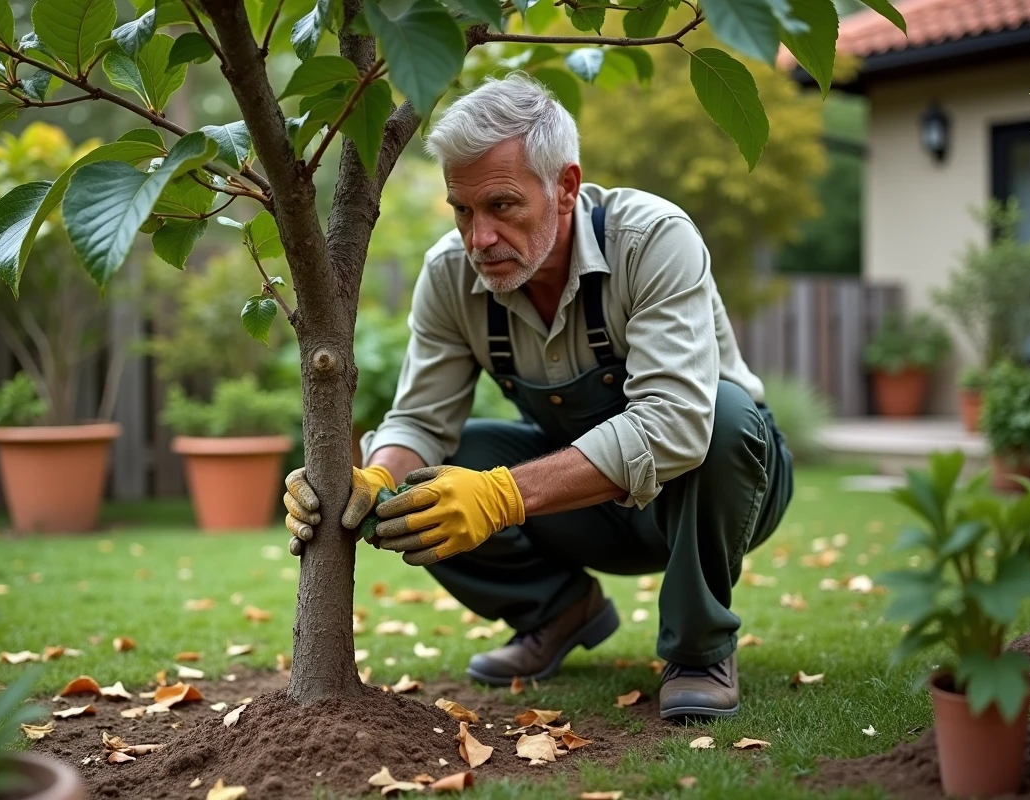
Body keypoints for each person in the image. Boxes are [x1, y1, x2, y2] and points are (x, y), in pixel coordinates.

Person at [282, 72, 794, 721]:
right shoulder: (450, 276)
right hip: (587, 505)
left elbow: (675, 425)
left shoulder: (653, 239)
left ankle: (699, 649)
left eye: (502, 205)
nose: (479, 237)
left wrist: (500, 495)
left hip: (719, 489)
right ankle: (558, 612)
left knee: (722, 416)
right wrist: (374, 480)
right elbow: (419, 420)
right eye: (463, 210)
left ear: (566, 187)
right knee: (424, 484)